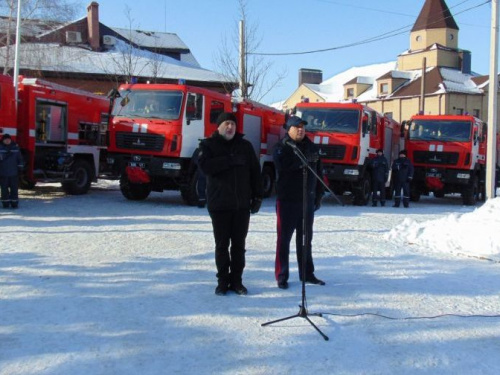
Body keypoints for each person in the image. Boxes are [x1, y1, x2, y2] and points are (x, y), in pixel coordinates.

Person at [198, 112, 263, 296]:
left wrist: (257, 196)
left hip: (241, 206)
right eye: (226, 123)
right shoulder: (208, 145)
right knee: (221, 245)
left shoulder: (245, 146)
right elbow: (205, 167)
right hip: (219, 206)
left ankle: (237, 281)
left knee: (239, 246)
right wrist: (229, 161)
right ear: (219, 126)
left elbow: (255, 173)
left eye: (233, 124)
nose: (230, 127)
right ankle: (222, 282)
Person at [273, 115, 325, 290]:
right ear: (289, 129)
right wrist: (301, 162)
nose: (301, 130)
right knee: (284, 240)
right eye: (297, 127)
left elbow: (319, 172)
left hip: (306, 200)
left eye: (303, 127)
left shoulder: (312, 148)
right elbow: (283, 167)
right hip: (287, 200)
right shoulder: (282, 147)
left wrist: (318, 196)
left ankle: (307, 273)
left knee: (305, 239)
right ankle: (282, 275)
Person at [0, 134, 24, 209]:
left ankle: (14, 203)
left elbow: (20, 159)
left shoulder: (16, 148)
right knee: (4, 189)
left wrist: (21, 169)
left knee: (14, 189)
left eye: (8, 139)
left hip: (14, 173)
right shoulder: (1, 148)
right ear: (3, 140)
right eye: (6, 139)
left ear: (11, 140)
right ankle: (5, 203)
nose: (7, 141)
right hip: (3, 173)